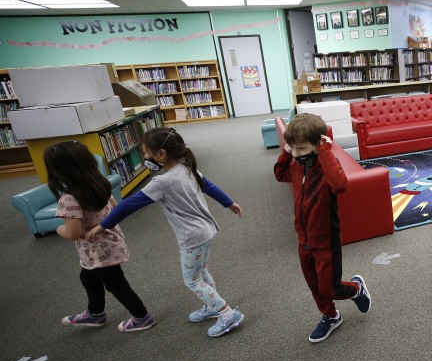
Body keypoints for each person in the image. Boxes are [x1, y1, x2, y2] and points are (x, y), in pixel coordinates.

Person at [86, 127, 245, 338]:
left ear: (161, 154)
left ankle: (226, 313)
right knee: (201, 272)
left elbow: (127, 206)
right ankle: (212, 308)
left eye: (145, 153)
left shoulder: (161, 182)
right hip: (206, 231)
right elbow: (209, 186)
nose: (144, 158)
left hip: (192, 238)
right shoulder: (189, 169)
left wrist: (102, 225)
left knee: (192, 280)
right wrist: (229, 203)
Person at [274, 114, 371, 343]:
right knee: (314, 285)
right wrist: (287, 152)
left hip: (325, 240)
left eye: (301, 148)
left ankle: (356, 289)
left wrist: (326, 152)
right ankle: (330, 316)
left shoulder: (326, 164)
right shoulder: (297, 166)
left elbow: (340, 185)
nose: (296, 154)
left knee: (329, 288)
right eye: (293, 148)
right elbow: (280, 174)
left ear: (317, 145)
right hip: (303, 238)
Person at [45, 141, 154, 332]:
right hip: (110, 242)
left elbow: (72, 232)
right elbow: (114, 207)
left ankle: (142, 317)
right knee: (88, 277)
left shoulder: (69, 199)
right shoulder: (100, 183)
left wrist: (58, 229)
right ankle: (95, 313)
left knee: (117, 285)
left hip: (97, 251)